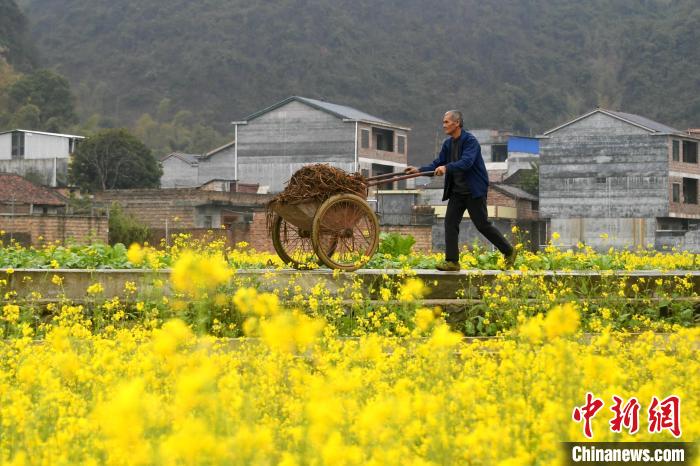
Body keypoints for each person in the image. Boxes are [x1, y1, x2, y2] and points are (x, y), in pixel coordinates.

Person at [405, 110, 517, 271]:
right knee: (450, 223)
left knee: (482, 224)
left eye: (446, 122)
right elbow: (438, 164)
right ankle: (452, 262)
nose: (444, 125)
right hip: (457, 191)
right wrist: (419, 170)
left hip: (473, 190)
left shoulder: (470, 141)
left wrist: (446, 167)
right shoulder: (448, 144)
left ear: (457, 123)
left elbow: (466, 162)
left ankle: (509, 251)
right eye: (443, 122)